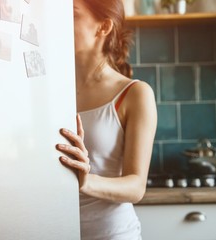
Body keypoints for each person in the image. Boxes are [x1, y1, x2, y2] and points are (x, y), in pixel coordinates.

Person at [56, 0, 157, 239]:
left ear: (103, 27)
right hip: (57, 231)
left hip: (112, 234)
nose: (60, 23)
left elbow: (136, 187)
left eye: (72, 15)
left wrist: (86, 181)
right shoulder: (54, 90)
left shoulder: (134, 93)